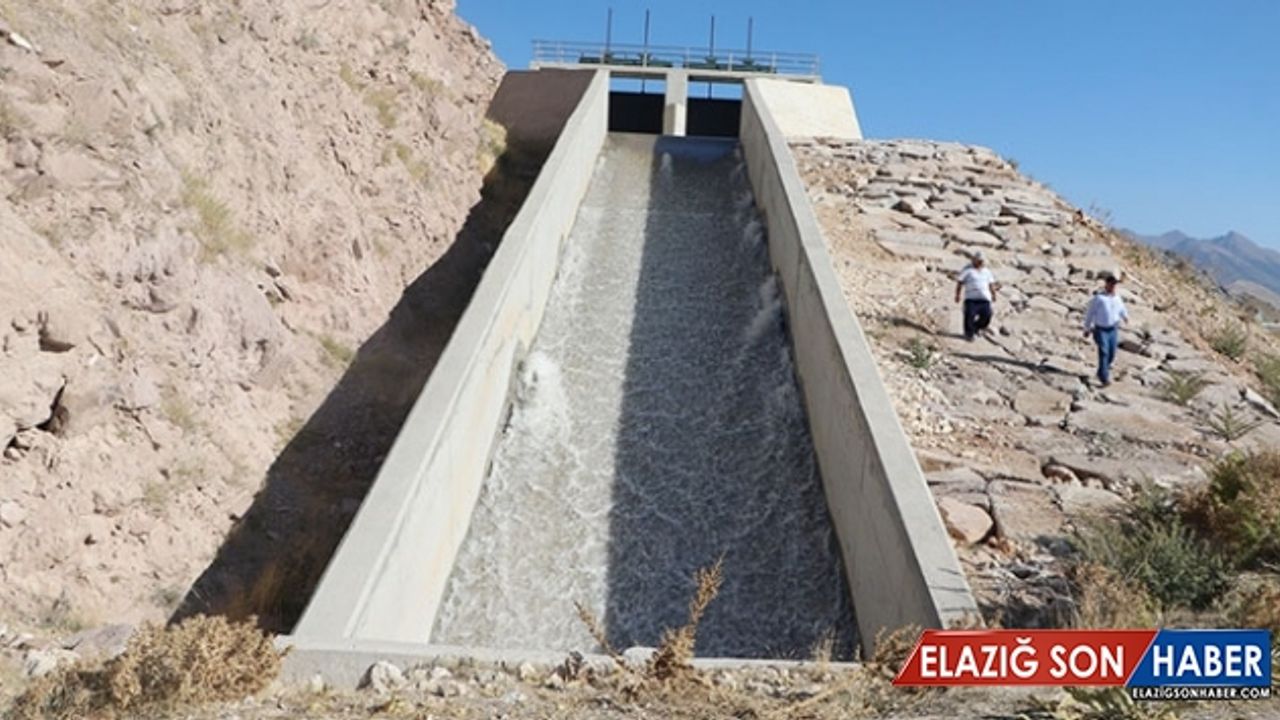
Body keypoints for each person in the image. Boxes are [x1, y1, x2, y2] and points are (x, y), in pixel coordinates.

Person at [1082, 271, 1129, 386]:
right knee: (1104, 351)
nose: (1113, 286)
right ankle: (1104, 377)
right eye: (1111, 284)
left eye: (1114, 284)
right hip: (1101, 330)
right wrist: (1087, 328)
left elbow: (1121, 309)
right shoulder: (1099, 298)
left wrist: (1125, 316)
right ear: (1106, 284)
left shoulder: (1117, 298)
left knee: (1111, 353)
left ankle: (1101, 371)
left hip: (1113, 329)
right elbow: (1090, 313)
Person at [955, 251, 999, 341]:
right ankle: (969, 334)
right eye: (978, 261)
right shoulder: (967, 270)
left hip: (984, 298)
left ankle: (976, 328)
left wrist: (994, 294)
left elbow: (991, 284)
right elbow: (960, 282)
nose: (980, 263)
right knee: (969, 315)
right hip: (971, 298)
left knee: (987, 315)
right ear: (974, 260)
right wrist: (958, 295)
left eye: (982, 261)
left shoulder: (987, 271)